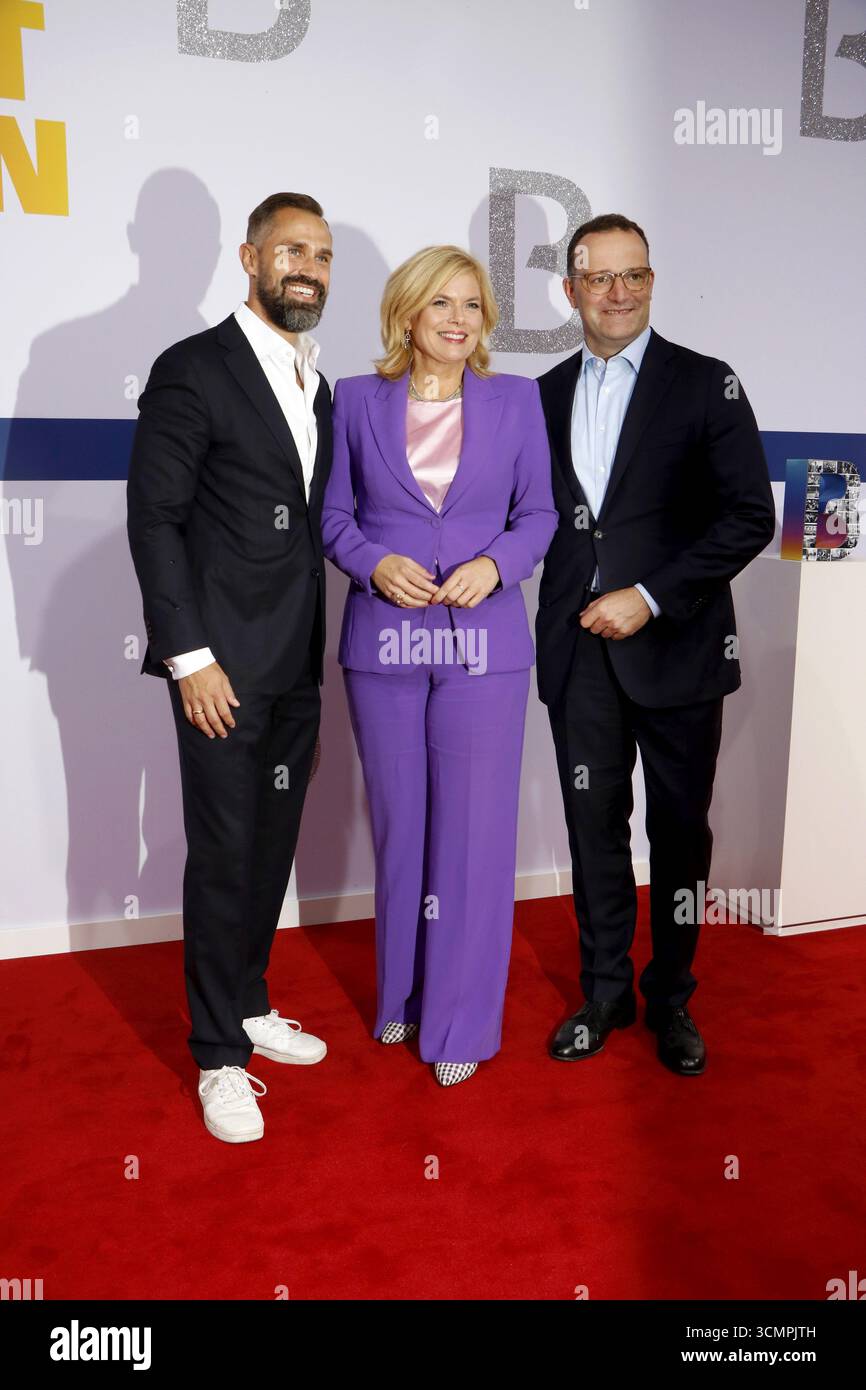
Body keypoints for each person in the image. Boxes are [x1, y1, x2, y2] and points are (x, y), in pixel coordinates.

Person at [535, 213, 775, 1075]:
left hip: (677, 649)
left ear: (651, 281)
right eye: (600, 278)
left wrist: (649, 596)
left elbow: (751, 515)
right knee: (592, 828)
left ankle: (671, 998)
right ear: (571, 291)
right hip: (578, 655)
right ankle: (604, 993)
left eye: (634, 275)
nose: (619, 292)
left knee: (679, 837)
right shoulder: (542, 394)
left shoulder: (708, 383)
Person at [321, 246, 557, 1086]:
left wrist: (496, 566)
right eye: (441, 305)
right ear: (407, 316)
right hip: (383, 645)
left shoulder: (516, 402)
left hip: (484, 646)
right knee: (401, 828)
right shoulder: (355, 399)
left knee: (472, 837)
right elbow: (335, 515)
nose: (458, 320)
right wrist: (369, 562)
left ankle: (460, 1024)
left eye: (471, 305)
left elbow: (539, 512)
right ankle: (402, 998)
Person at [127, 193, 333, 1142]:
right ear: (250, 258)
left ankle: (248, 1003)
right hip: (217, 667)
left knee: (267, 847)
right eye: (291, 249)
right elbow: (155, 519)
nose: (309, 267)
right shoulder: (192, 368)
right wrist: (189, 657)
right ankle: (216, 1056)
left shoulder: (315, 382)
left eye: (322, 255)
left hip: (294, 663)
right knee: (221, 855)